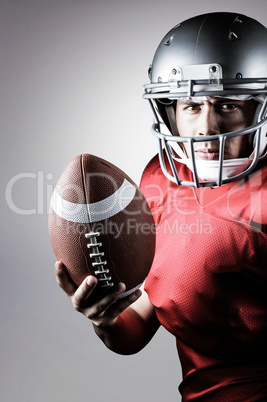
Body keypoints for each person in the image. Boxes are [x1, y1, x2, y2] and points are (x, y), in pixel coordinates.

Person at [55, 12, 267, 400]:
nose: (206, 127)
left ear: (258, 109)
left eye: (226, 105)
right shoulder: (158, 179)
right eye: (191, 106)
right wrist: (106, 319)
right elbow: (144, 319)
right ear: (169, 111)